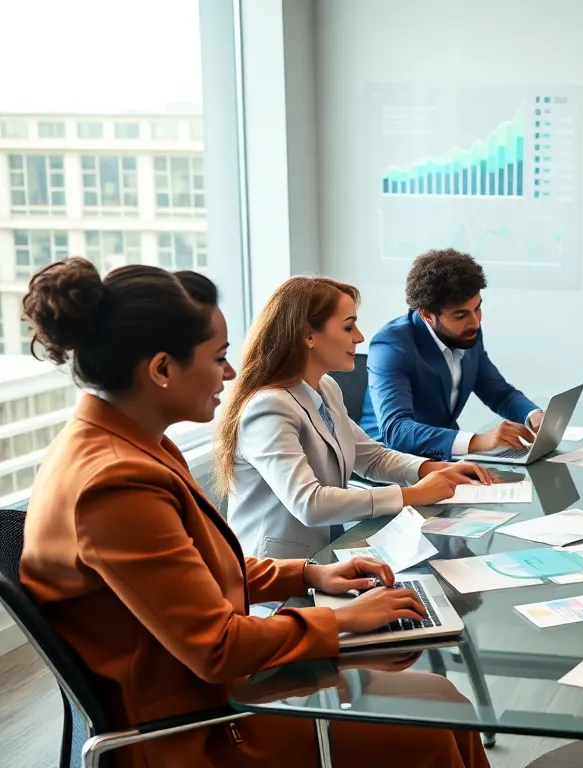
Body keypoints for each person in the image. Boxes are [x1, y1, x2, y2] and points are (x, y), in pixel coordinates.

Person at [18, 259, 488, 767]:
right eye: (218, 356)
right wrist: (343, 624)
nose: (231, 372)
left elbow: (195, 574)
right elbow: (217, 647)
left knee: (445, 701)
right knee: (434, 725)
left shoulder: (128, 445)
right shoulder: (114, 482)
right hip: (197, 731)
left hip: (212, 693)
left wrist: (310, 573)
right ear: (161, 369)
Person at [216, 276, 495, 560]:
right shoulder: (268, 408)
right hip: (278, 579)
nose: (360, 337)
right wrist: (411, 495)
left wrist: (433, 469)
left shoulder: (325, 388)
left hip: (327, 560)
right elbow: (309, 503)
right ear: (308, 335)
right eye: (348, 326)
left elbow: (371, 457)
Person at [361, 248, 541, 461]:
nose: (475, 322)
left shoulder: (468, 332)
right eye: (461, 315)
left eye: (478, 308)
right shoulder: (391, 345)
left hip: (444, 460)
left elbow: (498, 392)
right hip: (390, 463)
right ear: (427, 314)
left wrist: (533, 416)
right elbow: (396, 430)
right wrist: (478, 441)